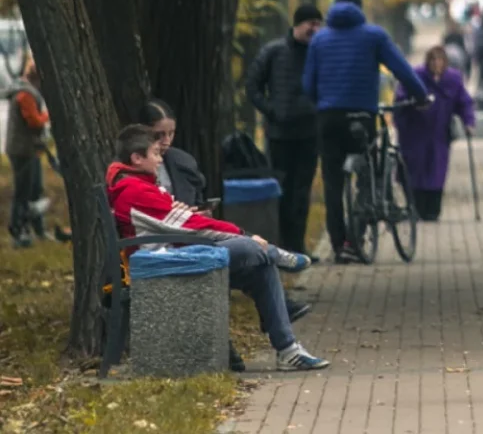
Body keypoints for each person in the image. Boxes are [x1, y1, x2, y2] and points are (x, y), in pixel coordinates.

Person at [107, 124, 329, 371]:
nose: (160, 160)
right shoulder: (134, 190)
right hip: (163, 262)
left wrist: (181, 214)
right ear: (137, 158)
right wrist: (245, 234)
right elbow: (189, 226)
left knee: (261, 268)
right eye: (155, 154)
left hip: (173, 253)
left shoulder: (138, 184)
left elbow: (174, 220)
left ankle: (288, 351)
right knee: (248, 248)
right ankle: (275, 253)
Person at [303, 0, 431, 264]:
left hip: (328, 118)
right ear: (360, 8)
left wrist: (323, 101)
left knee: (333, 183)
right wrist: (420, 95)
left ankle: (338, 245)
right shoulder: (374, 36)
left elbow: (307, 85)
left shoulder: (320, 39)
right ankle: (355, 236)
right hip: (361, 116)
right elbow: (401, 69)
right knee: (366, 176)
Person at [247, 3, 323, 256]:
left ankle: (298, 247)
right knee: (281, 191)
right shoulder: (273, 51)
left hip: (309, 133)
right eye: (310, 23)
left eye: (318, 23)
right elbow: (252, 87)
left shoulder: (319, 53)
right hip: (280, 135)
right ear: (297, 24)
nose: (314, 28)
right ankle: (278, 248)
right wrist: (272, 111)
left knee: (302, 194)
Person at [394, 45, 476, 222]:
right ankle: (415, 207)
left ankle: (432, 210)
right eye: (433, 60)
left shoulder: (453, 79)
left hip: (439, 133)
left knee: (437, 170)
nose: (437, 64)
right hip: (414, 133)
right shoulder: (416, 75)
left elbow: (464, 102)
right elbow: (400, 98)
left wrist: (468, 122)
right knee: (416, 170)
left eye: (440, 60)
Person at [5, 57, 51, 247]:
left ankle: (37, 228)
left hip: (29, 149)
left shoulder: (26, 91)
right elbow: (34, 121)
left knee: (35, 190)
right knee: (23, 192)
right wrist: (49, 115)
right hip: (23, 150)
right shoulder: (26, 94)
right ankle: (18, 230)